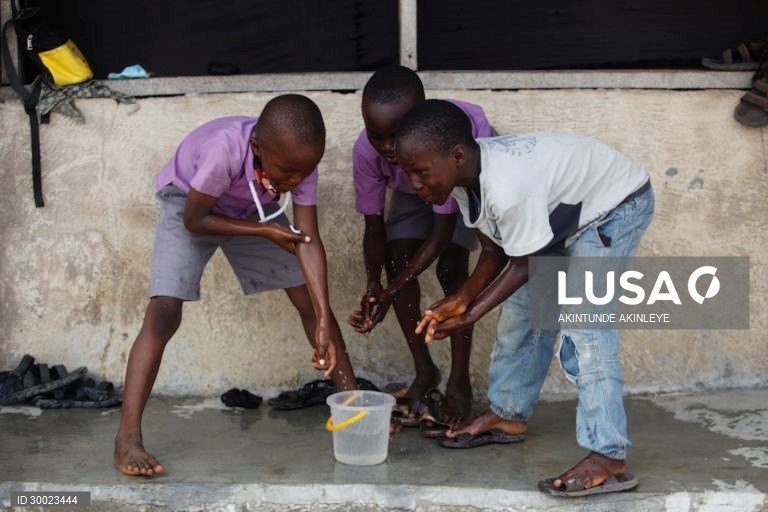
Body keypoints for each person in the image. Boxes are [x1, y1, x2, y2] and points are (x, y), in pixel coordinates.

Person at [394, 99, 653, 497]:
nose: (415, 184)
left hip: (615, 206)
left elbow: (523, 264)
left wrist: (471, 314)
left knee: (584, 327)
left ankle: (608, 454)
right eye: (409, 173)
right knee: (524, 314)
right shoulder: (464, 181)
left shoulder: (508, 187)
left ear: (457, 155)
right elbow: (496, 249)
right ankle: (508, 414)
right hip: (561, 218)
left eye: (421, 172)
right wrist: (462, 298)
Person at [113, 94, 358, 476]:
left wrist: (324, 315)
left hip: (252, 208)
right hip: (191, 202)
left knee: (309, 301)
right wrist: (263, 230)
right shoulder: (223, 150)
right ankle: (127, 440)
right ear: (258, 147)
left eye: (303, 173)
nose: (296, 181)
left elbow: (308, 238)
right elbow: (195, 219)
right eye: (288, 172)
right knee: (163, 312)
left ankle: (355, 410)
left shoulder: (298, 163)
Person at [346, 66, 493, 433]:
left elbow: (443, 230)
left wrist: (391, 290)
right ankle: (425, 371)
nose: (386, 147)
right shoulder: (368, 152)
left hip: (454, 177)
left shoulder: (455, 135)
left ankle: (459, 380)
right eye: (376, 135)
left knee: (451, 268)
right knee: (397, 262)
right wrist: (374, 286)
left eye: (395, 135)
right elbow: (373, 225)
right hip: (414, 185)